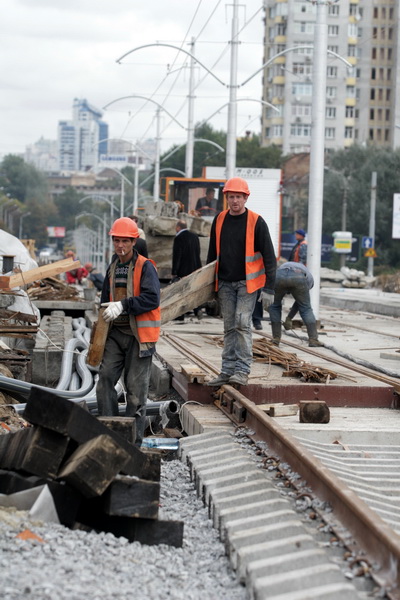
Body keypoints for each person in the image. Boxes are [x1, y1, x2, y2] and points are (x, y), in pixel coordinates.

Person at [206, 177, 276, 387]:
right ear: (226, 198)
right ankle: (227, 371)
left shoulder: (257, 221)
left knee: (242, 323)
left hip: (248, 283)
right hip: (225, 283)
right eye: (231, 197)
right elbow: (212, 255)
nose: (234, 200)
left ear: (246, 198)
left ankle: (242, 371)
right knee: (229, 326)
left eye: (238, 197)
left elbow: (270, 257)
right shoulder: (219, 220)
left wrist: (270, 288)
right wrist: (209, 287)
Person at [96, 217, 161, 446]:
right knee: (104, 379)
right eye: (117, 241)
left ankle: (133, 443)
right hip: (116, 334)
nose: (120, 245)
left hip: (138, 336)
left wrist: (123, 305)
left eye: (125, 241)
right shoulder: (113, 267)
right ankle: (109, 433)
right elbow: (105, 301)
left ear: (134, 241)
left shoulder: (146, 266)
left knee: (135, 392)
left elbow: (152, 298)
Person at [268, 261, 322, 347]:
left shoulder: (283, 266)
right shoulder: (309, 278)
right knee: (306, 309)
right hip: (298, 277)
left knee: (274, 307)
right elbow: (301, 303)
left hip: (278, 276)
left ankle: (276, 339)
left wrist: (289, 318)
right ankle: (313, 339)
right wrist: (289, 318)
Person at [171, 220, 202, 320]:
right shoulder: (195, 237)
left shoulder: (178, 238)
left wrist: (175, 271)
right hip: (195, 268)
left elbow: (177, 256)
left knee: (182, 292)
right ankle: (197, 310)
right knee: (193, 291)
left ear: (178, 227)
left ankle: (180, 315)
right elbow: (198, 252)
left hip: (183, 270)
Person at [285, 229, 308, 329]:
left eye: (297, 234)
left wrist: (298, 272)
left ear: (301, 235)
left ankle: (290, 319)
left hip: (298, 273)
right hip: (296, 272)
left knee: (300, 298)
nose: (295, 235)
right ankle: (289, 319)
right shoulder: (299, 244)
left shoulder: (303, 245)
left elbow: (302, 260)